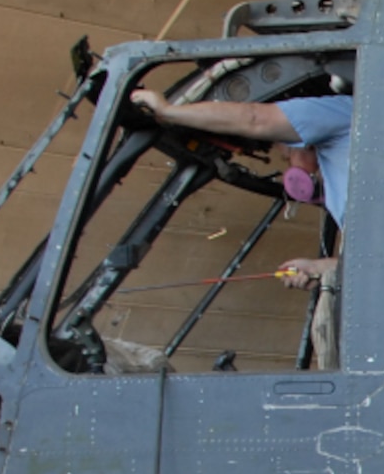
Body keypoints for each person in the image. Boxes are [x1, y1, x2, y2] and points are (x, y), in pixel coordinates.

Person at [129, 87, 350, 365]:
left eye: (287, 156)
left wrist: (167, 111)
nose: (289, 172)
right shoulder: (349, 193)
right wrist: (323, 268)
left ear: (304, 141)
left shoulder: (337, 113)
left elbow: (254, 118)